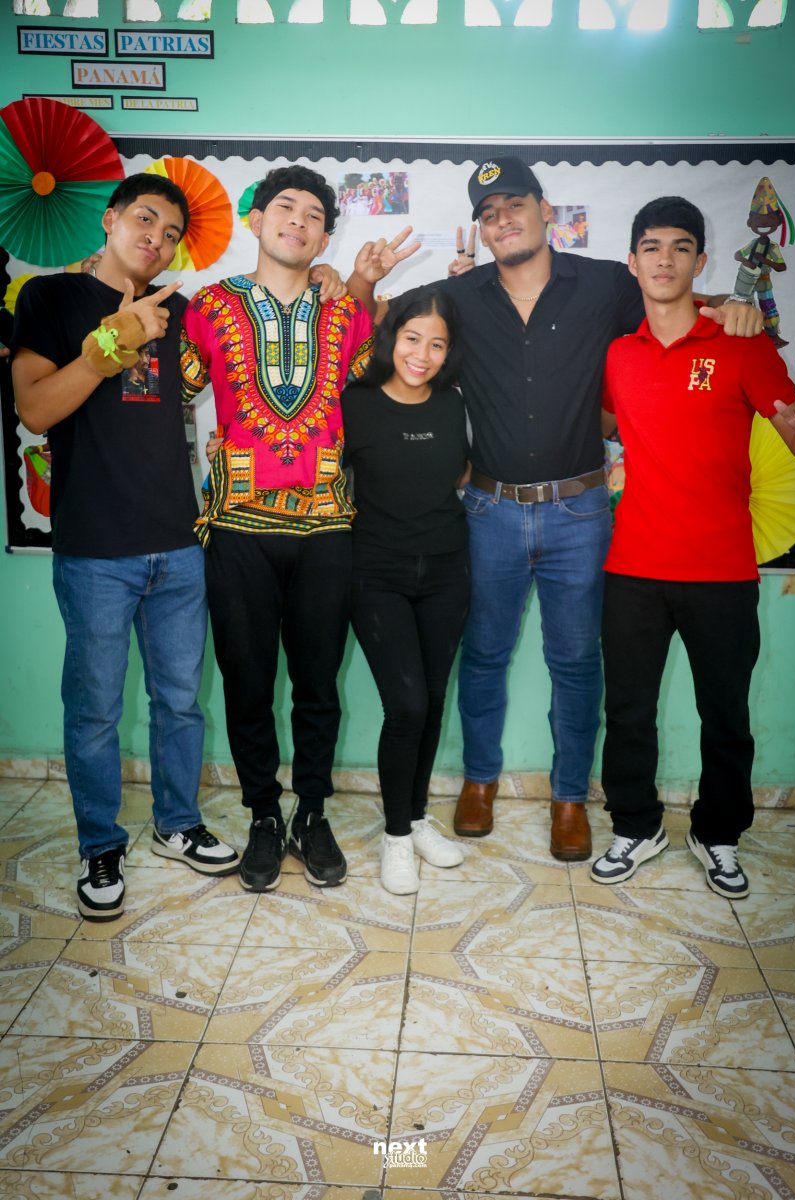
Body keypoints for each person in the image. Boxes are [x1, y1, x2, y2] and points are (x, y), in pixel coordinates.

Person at [350, 155, 766, 863]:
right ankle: (479, 780)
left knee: (575, 661)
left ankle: (570, 795)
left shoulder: (605, 284)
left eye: (515, 205)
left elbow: (672, 300)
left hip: (580, 512)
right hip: (488, 510)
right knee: (483, 655)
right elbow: (375, 325)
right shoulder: (458, 295)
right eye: (489, 214)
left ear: (546, 211)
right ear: (481, 230)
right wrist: (357, 281)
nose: (503, 220)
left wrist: (728, 306)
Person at [11, 173, 240, 922]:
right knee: (95, 711)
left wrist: (339, 280)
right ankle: (100, 844)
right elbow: (35, 408)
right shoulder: (49, 298)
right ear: (110, 219)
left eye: (171, 234)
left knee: (179, 703)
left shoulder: (181, 311)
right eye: (145, 220)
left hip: (178, 544)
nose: (157, 239)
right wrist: (113, 340)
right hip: (95, 551)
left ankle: (178, 823)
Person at [184, 165, 415, 895]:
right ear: (255, 221)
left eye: (315, 215)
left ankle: (311, 812)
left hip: (326, 528)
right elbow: (167, 393)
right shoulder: (207, 306)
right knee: (247, 683)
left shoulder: (346, 315)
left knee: (318, 686)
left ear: (324, 237)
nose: (299, 220)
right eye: (284, 207)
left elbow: (390, 386)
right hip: (236, 528)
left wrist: (362, 286)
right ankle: (262, 813)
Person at [590, 195, 795, 898]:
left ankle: (718, 834)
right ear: (632, 262)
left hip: (722, 570)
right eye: (651, 247)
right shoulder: (618, 354)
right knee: (627, 710)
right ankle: (635, 825)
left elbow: (791, 424)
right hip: (633, 567)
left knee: (726, 715)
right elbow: (602, 427)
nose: (665, 260)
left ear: (701, 260)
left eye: (681, 247)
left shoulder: (743, 344)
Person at [342, 286, 470, 894]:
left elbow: (462, 471)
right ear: (390, 337)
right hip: (377, 573)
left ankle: (416, 819)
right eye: (412, 338)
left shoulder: (454, 402)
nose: (422, 354)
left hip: (448, 571)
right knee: (408, 706)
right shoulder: (355, 402)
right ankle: (395, 836)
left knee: (433, 701)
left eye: (437, 344)